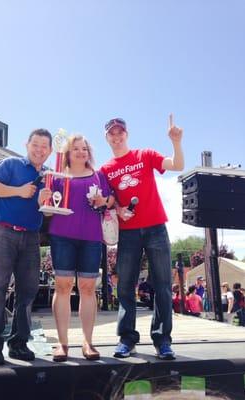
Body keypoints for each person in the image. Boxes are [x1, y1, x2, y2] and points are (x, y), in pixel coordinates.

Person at [101, 116, 184, 359]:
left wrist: (176, 142)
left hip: (156, 228)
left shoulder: (144, 155)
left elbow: (176, 165)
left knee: (163, 286)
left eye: (120, 132)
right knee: (125, 285)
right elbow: (107, 202)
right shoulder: (105, 170)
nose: (116, 137)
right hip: (128, 233)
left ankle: (162, 340)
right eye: (111, 133)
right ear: (106, 138)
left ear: (127, 134)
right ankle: (127, 339)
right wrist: (117, 210)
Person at [0, 128, 53, 366]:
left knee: (28, 293)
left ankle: (18, 344)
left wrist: (46, 203)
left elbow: (50, 210)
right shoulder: (10, 164)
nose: (40, 150)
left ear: (50, 150)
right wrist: (18, 191)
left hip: (32, 237)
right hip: (2, 232)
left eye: (45, 146)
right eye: (36, 144)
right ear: (27, 144)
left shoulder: (50, 175)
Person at [49, 135, 114, 362]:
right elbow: (48, 208)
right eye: (75, 148)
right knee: (63, 286)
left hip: (91, 237)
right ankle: (62, 343)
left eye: (84, 148)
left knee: (87, 288)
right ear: (67, 152)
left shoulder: (99, 176)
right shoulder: (57, 176)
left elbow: (110, 200)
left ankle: (88, 342)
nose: (80, 152)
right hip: (61, 236)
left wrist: (103, 202)